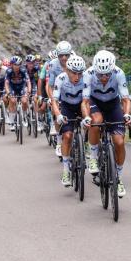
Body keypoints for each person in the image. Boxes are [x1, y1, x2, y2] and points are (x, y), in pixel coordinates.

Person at [82, 50, 131, 198]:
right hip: (95, 102)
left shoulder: (118, 73)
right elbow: (85, 101)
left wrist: (127, 114)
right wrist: (86, 117)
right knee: (96, 121)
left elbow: (125, 99)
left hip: (112, 104)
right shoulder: (88, 73)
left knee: (119, 142)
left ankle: (118, 178)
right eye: (100, 75)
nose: (104, 78)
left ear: (112, 70)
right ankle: (93, 157)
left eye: (107, 75)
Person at [51, 55, 87, 186]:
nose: (77, 77)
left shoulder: (86, 79)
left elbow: (89, 100)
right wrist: (58, 114)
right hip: (67, 107)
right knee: (67, 135)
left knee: (93, 123)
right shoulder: (60, 79)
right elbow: (54, 101)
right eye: (74, 73)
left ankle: (87, 147)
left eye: (80, 73)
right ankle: (66, 171)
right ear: (67, 70)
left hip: (82, 105)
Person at [47, 41, 73, 157]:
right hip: (58, 91)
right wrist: (52, 99)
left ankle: (84, 142)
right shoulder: (53, 64)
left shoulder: (75, 60)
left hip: (73, 91)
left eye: (66, 55)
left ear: (70, 54)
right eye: (61, 55)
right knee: (54, 105)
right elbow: (50, 85)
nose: (64, 58)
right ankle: (58, 142)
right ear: (57, 55)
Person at [5, 56, 31, 131]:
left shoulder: (23, 70)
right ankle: (12, 122)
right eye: (15, 64)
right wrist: (8, 93)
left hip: (21, 86)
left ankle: (24, 116)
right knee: (12, 101)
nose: (17, 66)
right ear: (12, 65)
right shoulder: (9, 71)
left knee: (24, 101)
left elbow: (28, 82)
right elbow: (6, 83)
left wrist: (28, 92)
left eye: (19, 64)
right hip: (12, 87)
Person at [25, 54, 43, 133]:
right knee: (24, 98)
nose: (30, 64)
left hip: (35, 83)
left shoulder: (37, 68)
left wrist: (38, 92)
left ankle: (38, 119)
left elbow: (39, 79)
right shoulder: (23, 69)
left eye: (32, 63)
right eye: (29, 63)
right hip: (25, 84)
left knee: (35, 99)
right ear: (26, 63)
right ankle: (25, 114)